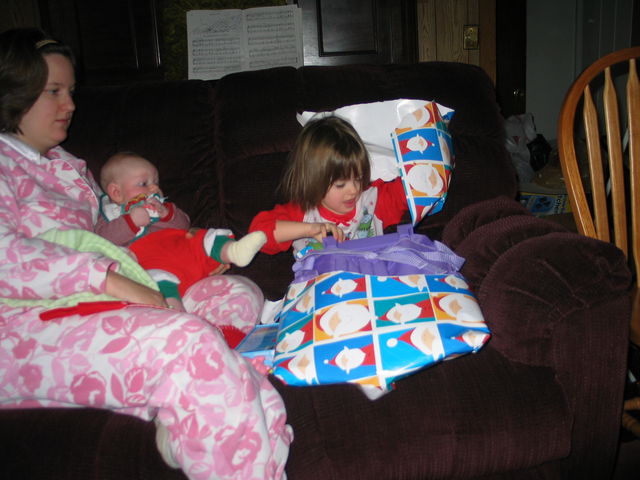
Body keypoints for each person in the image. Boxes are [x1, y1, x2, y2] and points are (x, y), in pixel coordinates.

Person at [0, 28, 291, 480]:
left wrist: (186, 252)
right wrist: (112, 279)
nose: (70, 104)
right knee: (192, 342)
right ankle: (194, 387)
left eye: (71, 91)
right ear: (13, 92)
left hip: (97, 300)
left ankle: (189, 405)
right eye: (54, 91)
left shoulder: (71, 169)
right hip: (26, 322)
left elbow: (111, 236)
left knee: (231, 297)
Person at [96, 151, 267, 311]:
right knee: (157, 279)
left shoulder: (163, 207)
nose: (154, 188)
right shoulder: (110, 215)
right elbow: (102, 241)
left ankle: (233, 251)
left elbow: (184, 224)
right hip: (151, 261)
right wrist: (131, 222)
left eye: (156, 182)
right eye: (143, 183)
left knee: (205, 238)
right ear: (116, 193)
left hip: (184, 251)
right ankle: (175, 311)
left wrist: (166, 214)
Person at [249, 115, 409, 257]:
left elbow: (414, 186)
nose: (354, 190)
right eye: (340, 184)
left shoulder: (374, 200)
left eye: (359, 178)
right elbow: (257, 235)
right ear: (313, 180)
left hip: (371, 278)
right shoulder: (303, 213)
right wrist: (309, 229)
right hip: (320, 280)